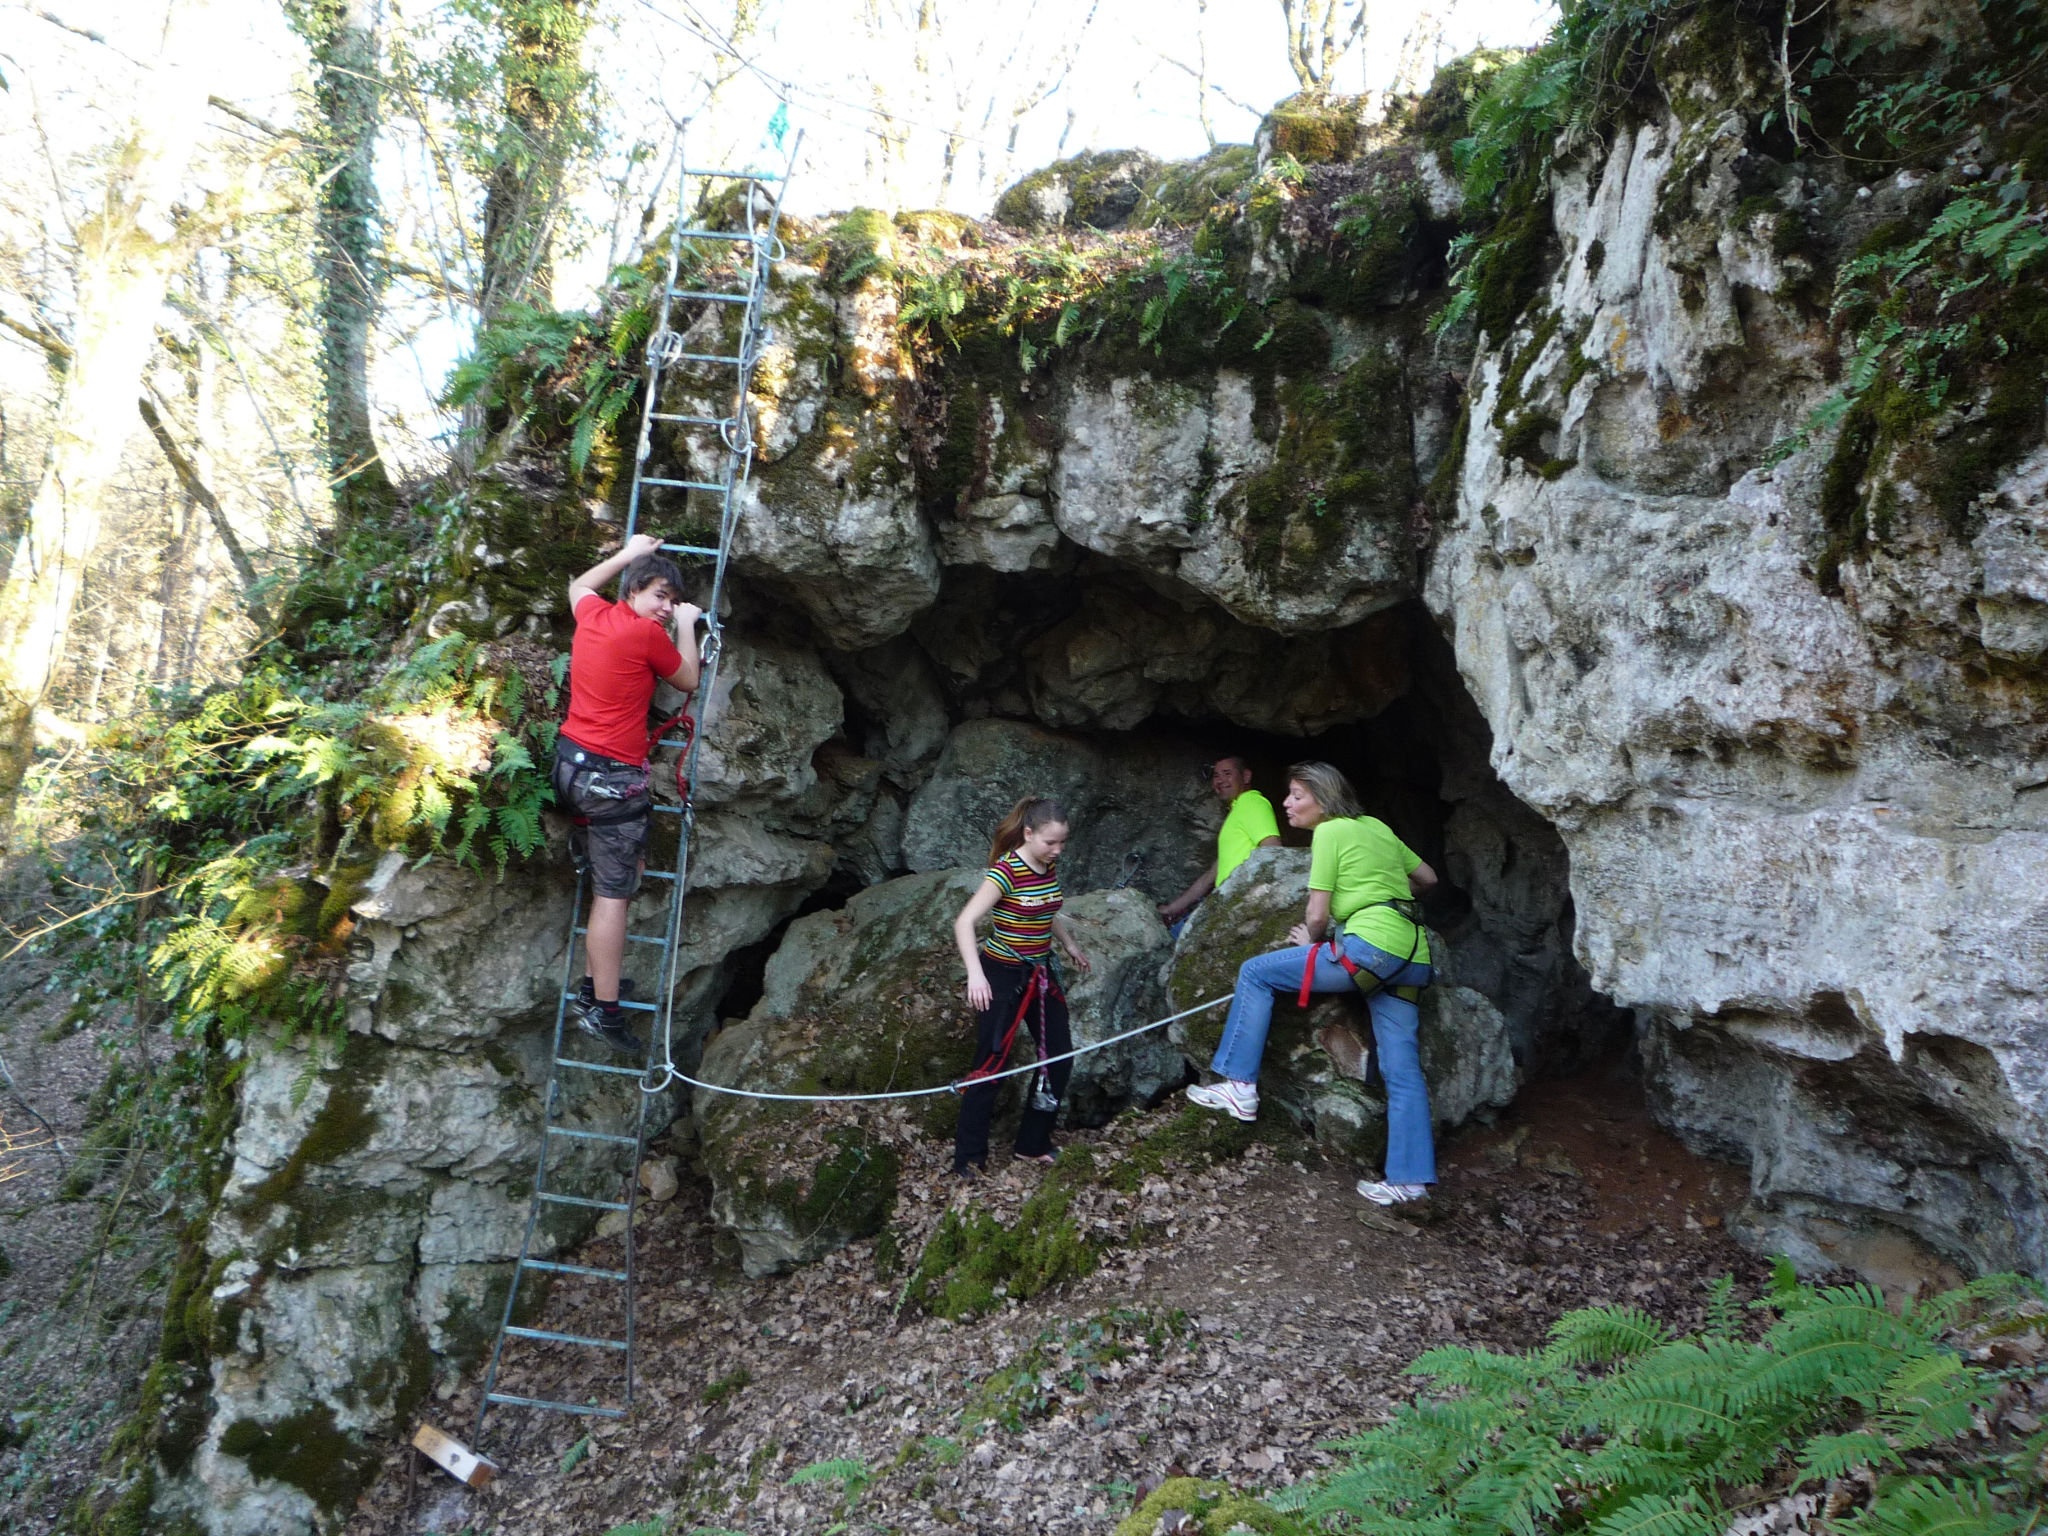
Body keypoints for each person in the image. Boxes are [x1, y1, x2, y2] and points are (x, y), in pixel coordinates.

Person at [1184, 761, 1441, 1206]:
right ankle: (1409, 1180)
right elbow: (1428, 879)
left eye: (1297, 796)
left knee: (1256, 972)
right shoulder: (1376, 826)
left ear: (1323, 800)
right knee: (1402, 1071)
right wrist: (1384, 898)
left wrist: (1315, 939)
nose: (1287, 803)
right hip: (1412, 956)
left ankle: (1239, 1085)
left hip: (1368, 949)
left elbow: (1316, 914)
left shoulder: (1330, 833)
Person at [554, 532, 703, 1055]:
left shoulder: (593, 615)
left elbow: (578, 584)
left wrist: (626, 552)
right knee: (613, 897)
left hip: (571, 766)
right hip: (610, 780)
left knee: (622, 876)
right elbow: (686, 679)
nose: (666, 608)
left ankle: (599, 985)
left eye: (672, 601)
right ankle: (603, 1010)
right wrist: (688, 626)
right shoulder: (645, 636)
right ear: (636, 590)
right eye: (660, 596)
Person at [950, 796, 1092, 1179]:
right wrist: (976, 974)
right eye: (1050, 842)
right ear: (1028, 834)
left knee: (1059, 1057)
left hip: (1040, 973)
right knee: (991, 1064)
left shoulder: (1048, 865)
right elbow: (964, 923)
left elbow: (1045, 908)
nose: (1057, 850)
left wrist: (1068, 944)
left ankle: (1032, 1144)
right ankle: (969, 1159)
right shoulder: (1005, 872)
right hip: (1001, 973)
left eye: (1062, 842)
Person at [1157, 755, 1282, 936]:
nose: (1220, 780)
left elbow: (1272, 848)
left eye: (1227, 773)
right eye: (1216, 775)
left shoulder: (1253, 803)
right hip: (1225, 900)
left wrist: (1255, 898)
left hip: (1239, 902)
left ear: (1246, 777)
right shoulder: (1237, 811)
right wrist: (1172, 909)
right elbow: (1211, 875)